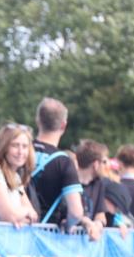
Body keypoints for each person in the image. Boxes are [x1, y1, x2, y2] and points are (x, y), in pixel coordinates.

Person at [31, 98, 102, 239]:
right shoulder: (64, 161)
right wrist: (69, 226)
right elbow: (76, 211)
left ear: (37, 120)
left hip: (13, 233)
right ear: (64, 125)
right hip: (46, 237)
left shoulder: (19, 152)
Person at [74, 139, 111, 227]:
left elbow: (100, 214)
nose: (107, 166)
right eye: (104, 162)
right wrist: (86, 223)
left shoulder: (99, 183)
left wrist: (98, 223)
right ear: (96, 164)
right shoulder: (70, 181)